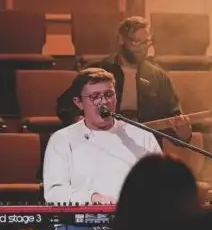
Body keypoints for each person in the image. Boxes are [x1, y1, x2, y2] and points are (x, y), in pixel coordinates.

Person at [43, 69, 161, 230]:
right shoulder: (62, 139)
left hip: (134, 225)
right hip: (81, 228)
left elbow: (160, 183)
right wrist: (93, 198)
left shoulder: (142, 136)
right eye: (95, 97)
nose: (103, 102)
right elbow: (54, 192)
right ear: (78, 103)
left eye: (108, 95)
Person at [56, 16, 191, 141]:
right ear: (121, 40)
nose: (143, 49)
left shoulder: (159, 77)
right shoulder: (97, 70)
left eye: (146, 43)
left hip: (144, 148)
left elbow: (174, 118)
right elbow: (65, 106)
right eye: (137, 42)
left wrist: (183, 132)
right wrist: (79, 120)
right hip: (102, 144)